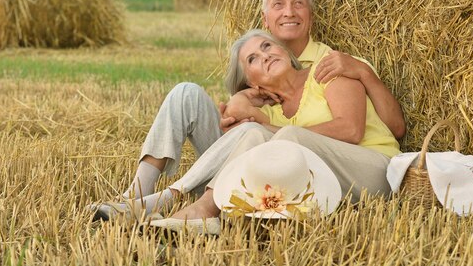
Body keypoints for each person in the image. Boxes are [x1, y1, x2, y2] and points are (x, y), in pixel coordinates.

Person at [90, 0, 405, 219]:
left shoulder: (332, 64)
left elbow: (365, 129)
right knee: (186, 94)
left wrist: (257, 124)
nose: (289, 13)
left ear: (311, 13)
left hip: (352, 165)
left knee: (275, 135)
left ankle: (182, 198)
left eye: (298, 4)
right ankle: (138, 194)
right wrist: (241, 106)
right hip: (271, 165)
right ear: (265, 17)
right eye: (278, 4)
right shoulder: (262, 82)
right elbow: (245, 125)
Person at [148, 29, 401, 232]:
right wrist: (242, 103)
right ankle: (207, 209)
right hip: (329, 186)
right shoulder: (271, 113)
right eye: (253, 59)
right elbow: (238, 140)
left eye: (267, 46)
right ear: (251, 81)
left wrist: (268, 128)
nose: (265, 56)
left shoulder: (326, 71)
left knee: (284, 138)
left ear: (285, 51)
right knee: (255, 135)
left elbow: (351, 129)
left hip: (377, 170)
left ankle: (179, 198)